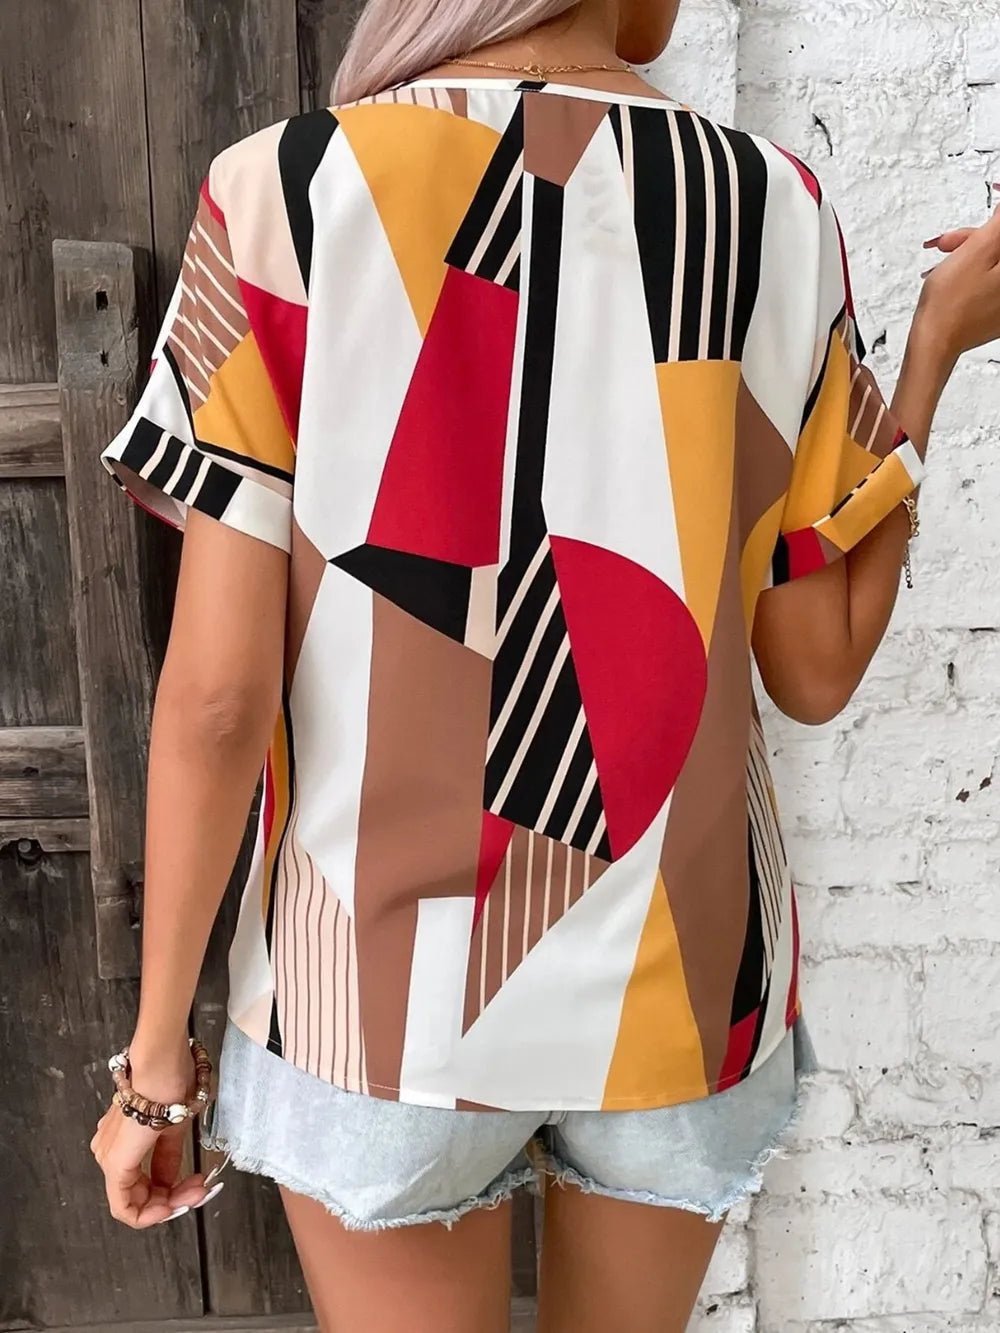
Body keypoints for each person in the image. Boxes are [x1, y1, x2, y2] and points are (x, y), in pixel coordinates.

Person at [89, 0, 1000, 1328]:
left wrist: (155, 1067)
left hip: (374, 1006)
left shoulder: (282, 189)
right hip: (681, 987)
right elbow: (815, 671)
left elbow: (221, 700)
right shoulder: (775, 208)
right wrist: (933, 351)